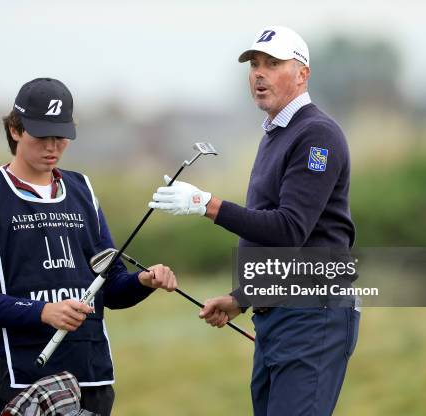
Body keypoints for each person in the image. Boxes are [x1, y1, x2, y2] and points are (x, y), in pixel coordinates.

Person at [148, 26, 359, 415]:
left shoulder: (317, 136)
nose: (259, 73)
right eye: (255, 64)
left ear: (302, 74)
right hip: (278, 315)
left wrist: (206, 204)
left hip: (314, 316)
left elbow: (289, 229)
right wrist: (243, 299)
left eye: (273, 64)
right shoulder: (277, 134)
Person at [0, 77, 177, 416]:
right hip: (19, 378)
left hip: (90, 374)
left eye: (61, 136)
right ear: (15, 130)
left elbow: (110, 286)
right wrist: (43, 312)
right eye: (42, 135)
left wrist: (142, 282)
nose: (53, 146)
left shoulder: (82, 191)